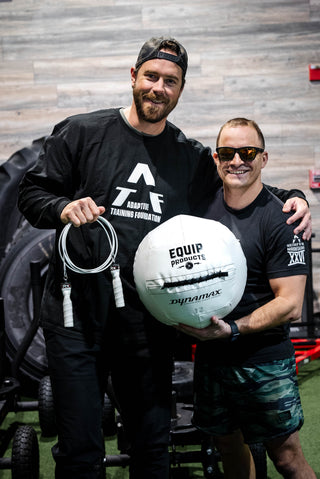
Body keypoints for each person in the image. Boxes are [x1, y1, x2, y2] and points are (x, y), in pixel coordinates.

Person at [17, 38, 311, 479]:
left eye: (170, 81)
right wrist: (62, 208)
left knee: (152, 445)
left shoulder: (189, 157)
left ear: (181, 89)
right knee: (80, 450)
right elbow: (31, 192)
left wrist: (294, 196)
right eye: (151, 76)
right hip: (77, 319)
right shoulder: (81, 132)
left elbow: (241, 179)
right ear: (133, 77)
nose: (158, 88)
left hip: (146, 325)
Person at [177, 118, 316, 479]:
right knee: (228, 446)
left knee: (285, 457)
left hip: (263, 359)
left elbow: (289, 304)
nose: (237, 159)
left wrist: (234, 330)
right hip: (212, 355)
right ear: (215, 157)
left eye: (248, 152)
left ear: (263, 158)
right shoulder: (200, 211)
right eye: (227, 152)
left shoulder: (283, 219)